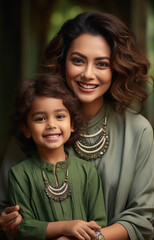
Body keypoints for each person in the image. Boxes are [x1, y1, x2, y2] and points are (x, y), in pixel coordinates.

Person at [0, 11, 154, 240]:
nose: (88, 74)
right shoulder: (34, 123)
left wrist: (90, 238)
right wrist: (8, 222)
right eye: (78, 60)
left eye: (102, 64)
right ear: (63, 61)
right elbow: (7, 207)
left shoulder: (137, 130)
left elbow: (143, 217)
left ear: (116, 68)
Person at [7, 74, 107, 240]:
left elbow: (99, 224)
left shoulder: (88, 172)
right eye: (40, 118)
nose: (51, 124)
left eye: (60, 116)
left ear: (72, 124)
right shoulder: (19, 174)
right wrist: (66, 227)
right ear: (26, 129)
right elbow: (23, 227)